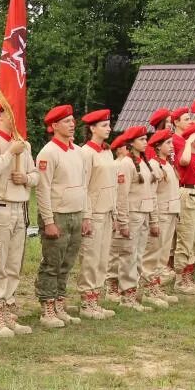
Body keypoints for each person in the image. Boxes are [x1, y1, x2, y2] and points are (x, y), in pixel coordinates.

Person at [0, 100, 35, 339]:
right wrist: (9, 153)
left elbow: (36, 176)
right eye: (13, 112)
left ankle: (10, 312)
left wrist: (26, 178)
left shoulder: (25, 144)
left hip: (19, 206)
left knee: (14, 264)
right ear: (0, 114)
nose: (18, 117)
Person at [34, 105, 86, 326]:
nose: (72, 124)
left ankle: (59, 304)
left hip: (76, 212)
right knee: (52, 263)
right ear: (54, 126)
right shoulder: (48, 152)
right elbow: (42, 189)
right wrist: (48, 221)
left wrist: (86, 215)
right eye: (66, 121)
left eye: (73, 120)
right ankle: (47, 308)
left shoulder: (78, 151)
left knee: (67, 263)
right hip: (57, 214)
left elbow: (84, 185)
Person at [109, 127, 160, 311]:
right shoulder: (126, 164)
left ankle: (133, 293)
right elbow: (121, 195)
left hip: (144, 213)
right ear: (131, 143)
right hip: (132, 215)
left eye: (146, 139)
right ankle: (127, 296)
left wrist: (153, 219)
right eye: (141, 139)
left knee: (138, 256)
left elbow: (151, 193)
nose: (145, 142)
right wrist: (122, 221)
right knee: (128, 256)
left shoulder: (144, 163)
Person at [77, 108, 118, 317]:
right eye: (104, 125)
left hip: (108, 211)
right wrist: (86, 214)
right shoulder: (86, 153)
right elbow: (83, 185)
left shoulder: (107, 151)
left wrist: (116, 211)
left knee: (102, 258)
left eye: (109, 125)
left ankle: (96, 298)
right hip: (94, 212)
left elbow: (112, 184)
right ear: (92, 128)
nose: (108, 128)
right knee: (91, 258)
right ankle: (86, 301)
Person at [172, 121, 195, 291]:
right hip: (189, 194)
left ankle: (189, 274)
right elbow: (184, 161)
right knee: (186, 236)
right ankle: (180, 278)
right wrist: (187, 142)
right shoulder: (185, 153)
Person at [145, 129, 180, 305]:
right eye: (168, 143)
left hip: (171, 211)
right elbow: (152, 194)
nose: (172, 146)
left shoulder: (167, 164)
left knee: (164, 253)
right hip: (161, 213)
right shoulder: (153, 165)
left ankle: (156, 286)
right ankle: (148, 288)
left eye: (172, 143)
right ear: (158, 146)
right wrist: (154, 219)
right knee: (154, 253)